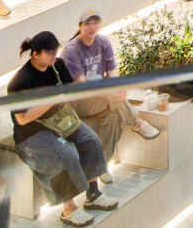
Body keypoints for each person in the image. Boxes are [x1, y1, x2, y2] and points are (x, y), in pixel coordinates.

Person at [7, 31, 117, 226]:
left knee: (90, 140)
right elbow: (22, 119)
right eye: (49, 52)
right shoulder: (21, 82)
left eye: (55, 51)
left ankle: (93, 194)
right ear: (35, 54)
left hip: (59, 121)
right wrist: (52, 100)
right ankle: (68, 209)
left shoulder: (57, 66)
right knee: (65, 153)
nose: (54, 56)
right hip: (31, 134)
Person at [61, 11, 163, 164]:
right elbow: (83, 85)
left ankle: (102, 165)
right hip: (77, 101)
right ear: (80, 26)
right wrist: (110, 95)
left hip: (97, 98)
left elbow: (112, 71)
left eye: (95, 23)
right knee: (112, 100)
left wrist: (119, 86)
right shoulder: (71, 51)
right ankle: (136, 122)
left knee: (113, 117)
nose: (92, 27)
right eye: (87, 24)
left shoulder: (103, 42)